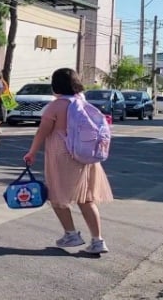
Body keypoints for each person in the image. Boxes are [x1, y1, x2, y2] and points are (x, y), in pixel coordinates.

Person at [23, 68, 113, 255]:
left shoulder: (56, 106)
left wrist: (32, 152)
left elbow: (43, 132)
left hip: (62, 156)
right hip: (86, 156)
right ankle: (98, 240)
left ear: (56, 85)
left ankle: (71, 234)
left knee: (57, 196)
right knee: (86, 199)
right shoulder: (82, 101)